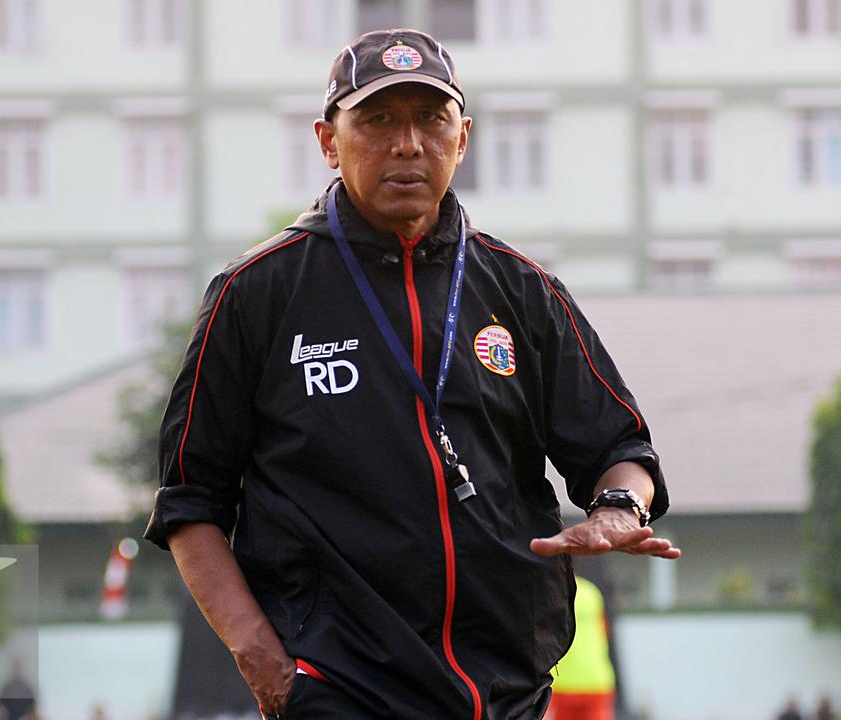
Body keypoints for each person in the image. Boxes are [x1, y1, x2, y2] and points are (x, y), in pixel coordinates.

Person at [142, 28, 678, 720]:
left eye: (431, 118)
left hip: (505, 691)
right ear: (328, 142)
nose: (407, 144)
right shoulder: (256, 292)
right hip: (339, 689)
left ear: (463, 138)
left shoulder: (521, 288)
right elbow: (190, 501)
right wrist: (263, 660)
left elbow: (620, 448)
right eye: (377, 120)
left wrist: (619, 508)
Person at [546, 576, 617, 720]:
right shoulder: (591, 591)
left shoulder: (548, 592)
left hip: (561, 685)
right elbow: (604, 631)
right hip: (596, 682)